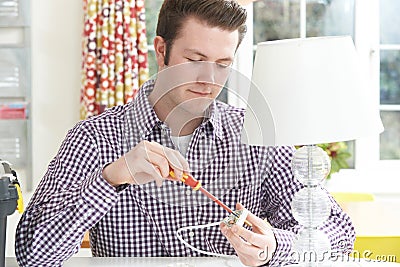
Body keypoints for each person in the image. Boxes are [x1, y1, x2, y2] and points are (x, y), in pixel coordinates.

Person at [15, 0, 355, 266]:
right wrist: (110, 178)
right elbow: (33, 254)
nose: (209, 80)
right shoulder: (94, 138)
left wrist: (275, 247)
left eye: (223, 65)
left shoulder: (255, 136)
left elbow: (338, 233)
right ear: (161, 50)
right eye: (195, 59)